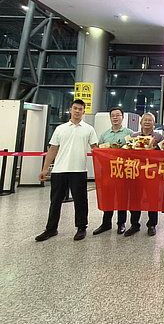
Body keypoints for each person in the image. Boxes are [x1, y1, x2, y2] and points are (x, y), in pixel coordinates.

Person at [35, 99, 98, 241]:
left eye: (80, 109)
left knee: (80, 201)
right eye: (75, 108)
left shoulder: (89, 129)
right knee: (55, 201)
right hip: (59, 170)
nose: (77, 111)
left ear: (84, 111)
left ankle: (81, 227)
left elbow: (95, 148)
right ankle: (51, 229)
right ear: (70, 110)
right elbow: (53, 149)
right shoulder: (60, 129)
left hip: (79, 170)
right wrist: (45, 169)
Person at [93, 107, 134, 236]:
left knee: (122, 197)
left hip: (123, 171)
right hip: (108, 171)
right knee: (108, 196)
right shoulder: (105, 134)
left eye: (118, 115)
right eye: (113, 116)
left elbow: (132, 151)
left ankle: (121, 223)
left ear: (123, 117)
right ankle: (106, 223)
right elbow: (99, 151)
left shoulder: (129, 133)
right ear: (110, 118)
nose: (115, 118)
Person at [124, 112, 163, 237]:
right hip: (136, 173)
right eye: (145, 120)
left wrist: (154, 150)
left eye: (150, 120)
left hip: (152, 173)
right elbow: (127, 153)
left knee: (152, 199)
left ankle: (152, 225)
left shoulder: (159, 137)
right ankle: (134, 225)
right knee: (135, 199)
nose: (147, 122)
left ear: (154, 123)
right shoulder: (133, 136)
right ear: (140, 122)